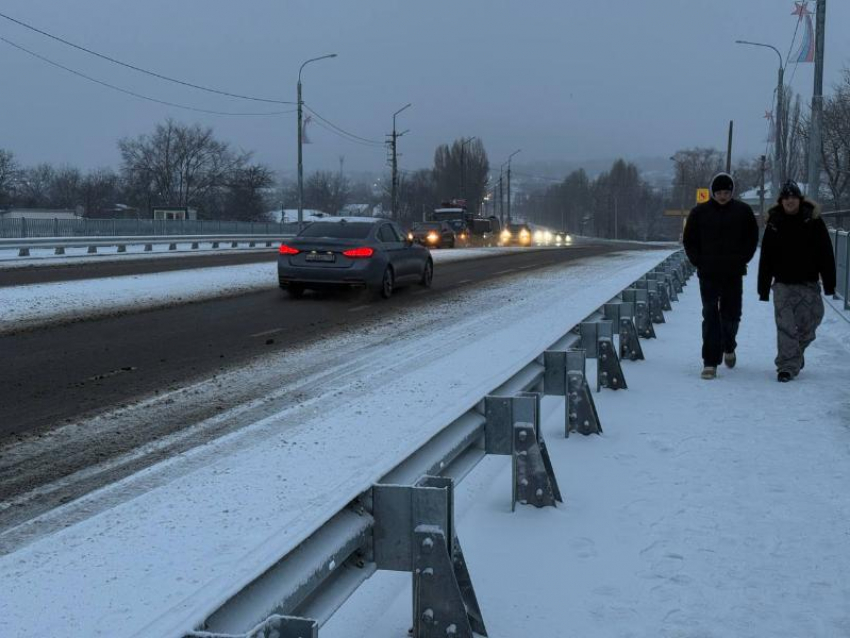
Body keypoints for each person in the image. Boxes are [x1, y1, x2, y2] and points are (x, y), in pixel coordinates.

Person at [757, 180, 836, 382]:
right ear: (781, 201)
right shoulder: (774, 223)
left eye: (793, 197)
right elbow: (766, 257)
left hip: (808, 283)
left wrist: (829, 284)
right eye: (786, 198)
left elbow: (826, 253)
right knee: (785, 326)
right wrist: (763, 288)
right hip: (782, 284)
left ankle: (795, 354)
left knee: (811, 323)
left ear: (799, 200)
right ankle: (786, 366)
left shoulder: (813, 220)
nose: (790, 201)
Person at [683, 172, 759, 379]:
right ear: (712, 193)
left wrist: (743, 258)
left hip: (733, 272)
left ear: (731, 192)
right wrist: (698, 260)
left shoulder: (743, 211)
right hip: (708, 273)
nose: (723, 196)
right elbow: (689, 239)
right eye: (719, 192)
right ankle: (710, 362)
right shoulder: (699, 212)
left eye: (726, 192)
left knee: (731, 315)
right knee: (710, 314)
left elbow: (752, 238)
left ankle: (729, 345)